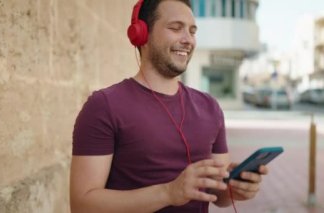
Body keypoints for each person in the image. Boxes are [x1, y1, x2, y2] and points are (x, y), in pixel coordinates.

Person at [70, 0, 268, 212]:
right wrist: (168, 193)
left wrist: (235, 188)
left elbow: (219, 196)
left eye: (192, 31)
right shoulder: (103, 105)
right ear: (142, 34)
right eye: (175, 28)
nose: (187, 40)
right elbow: (83, 205)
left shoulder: (210, 107)